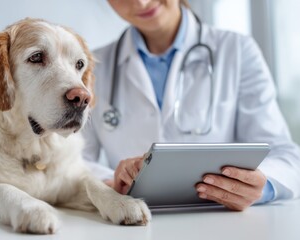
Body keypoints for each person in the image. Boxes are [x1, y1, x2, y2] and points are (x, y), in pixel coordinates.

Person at [82, 0, 300, 211]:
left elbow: (287, 157)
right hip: (133, 227)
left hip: (221, 223)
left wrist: (262, 186)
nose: (141, 2)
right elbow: (74, 162)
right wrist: (111, 183)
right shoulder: (92, 66)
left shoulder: (237, 50)